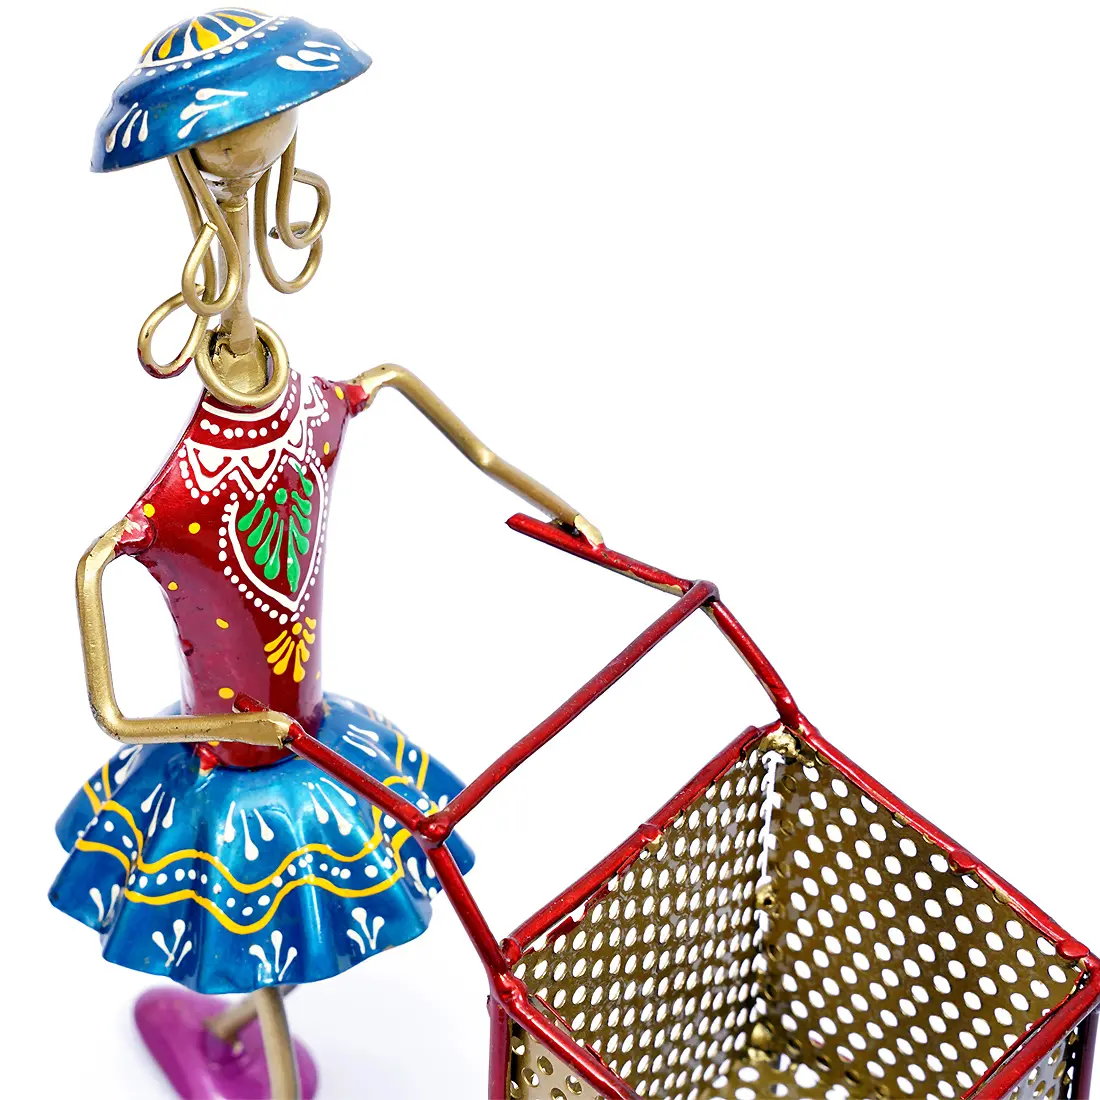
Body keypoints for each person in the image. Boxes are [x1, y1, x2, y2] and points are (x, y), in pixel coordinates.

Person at [50, 10, 600, 1099]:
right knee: (257, 943)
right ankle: (240, 1054)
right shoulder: (168, 500)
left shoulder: (325, 404)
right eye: (236, 146)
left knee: (286, 938)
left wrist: (563, 514)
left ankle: (236, 1042)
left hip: (310, 737)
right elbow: (110, 708)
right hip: (234, 764)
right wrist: (225, 728)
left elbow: (473, 445)